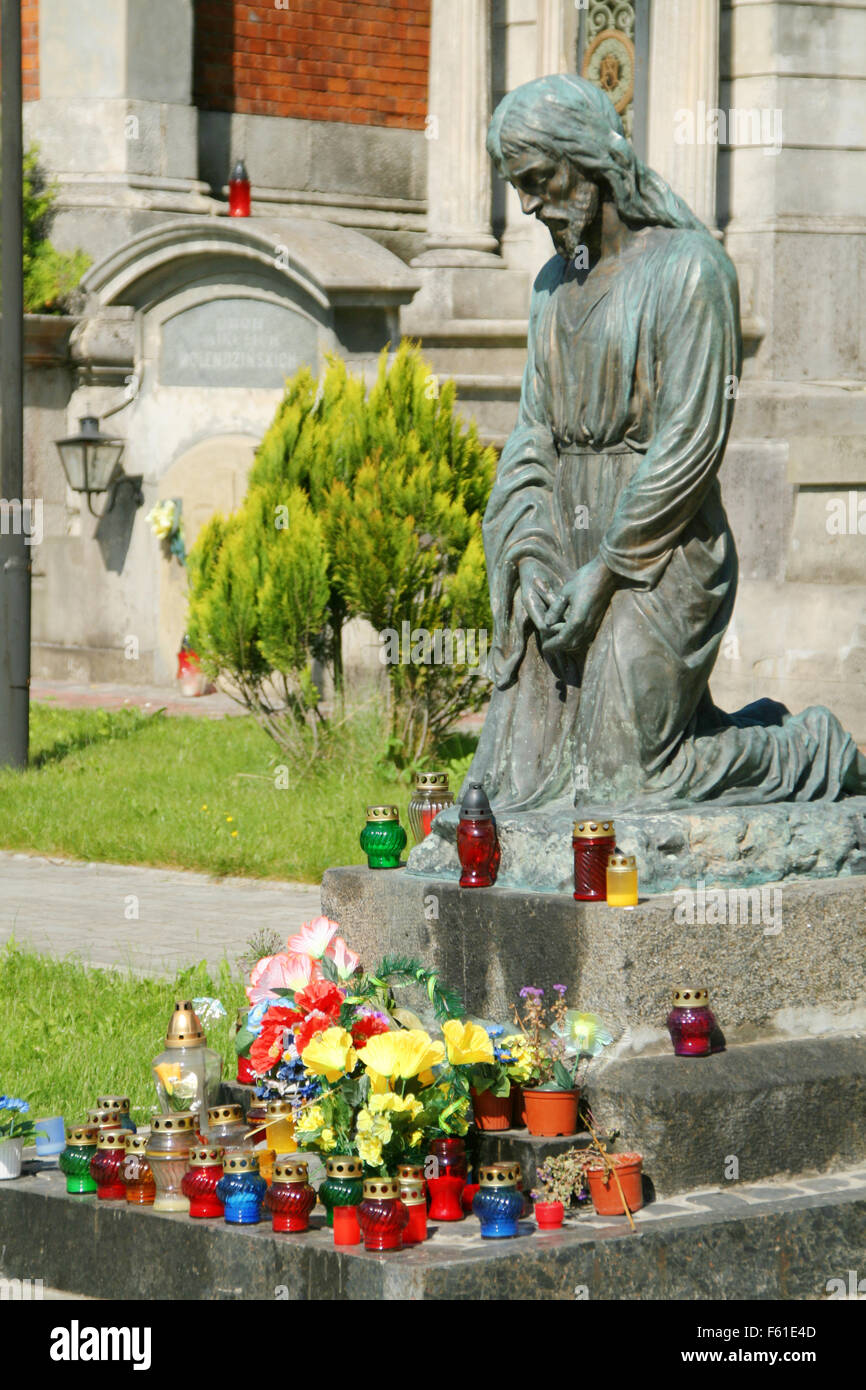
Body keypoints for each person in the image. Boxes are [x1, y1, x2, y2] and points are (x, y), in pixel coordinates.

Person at [466, 74, 866, 811]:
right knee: (508, 786)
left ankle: (810, 748)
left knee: (632, 779)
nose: (527, 205)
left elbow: (689, 443)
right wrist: (529, 561)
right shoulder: (552, 286)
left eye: (538, 180)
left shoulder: (692, 271)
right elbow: (532, 432)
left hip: (662, 551)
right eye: (516, 187)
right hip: (562, 539)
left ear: (588, 158)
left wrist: (606, 573)